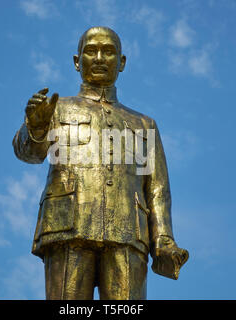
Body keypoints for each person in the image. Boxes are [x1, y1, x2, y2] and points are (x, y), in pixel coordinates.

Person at [13, 26, 188, 300]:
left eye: (108, 51)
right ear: (76, 61)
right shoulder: (58, 108)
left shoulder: (144, 124)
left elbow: (157, 190)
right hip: (68, 225)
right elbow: (29, 154)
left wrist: (163, 240)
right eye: (90, 51)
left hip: (129, 232)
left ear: (121, 62)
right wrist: (35, 126)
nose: (98, 57)